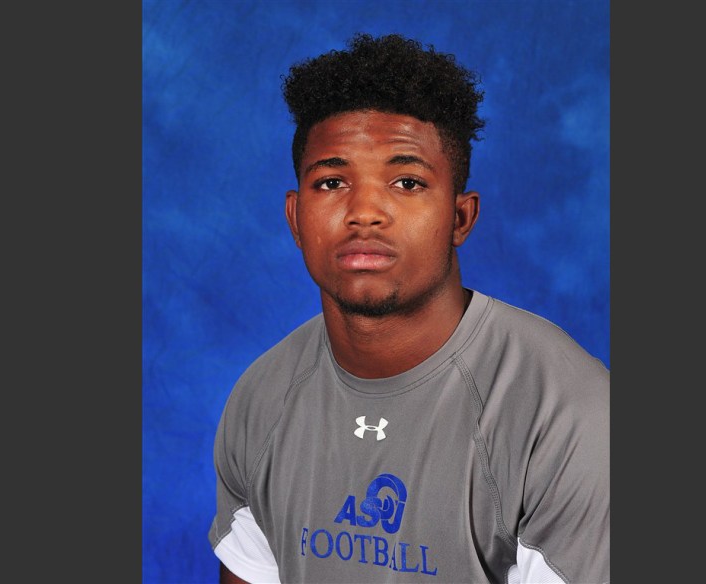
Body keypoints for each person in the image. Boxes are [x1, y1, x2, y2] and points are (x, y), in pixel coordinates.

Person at [208, 33, 609, 584]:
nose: (365, 211)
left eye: (407, 182)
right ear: (296, 218)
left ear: (460, 218)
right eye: (332, 181)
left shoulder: (566, 414)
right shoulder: (263, 398)